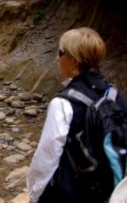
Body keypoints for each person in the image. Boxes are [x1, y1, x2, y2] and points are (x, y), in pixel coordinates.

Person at [26, 27, 127, 203]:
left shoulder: (63, 103)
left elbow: (47, 155)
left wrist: (34, 192)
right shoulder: (113, 94)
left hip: (77, 191)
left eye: (61, 52)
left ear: (73, 60)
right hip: (111, 186)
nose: (57, 58)